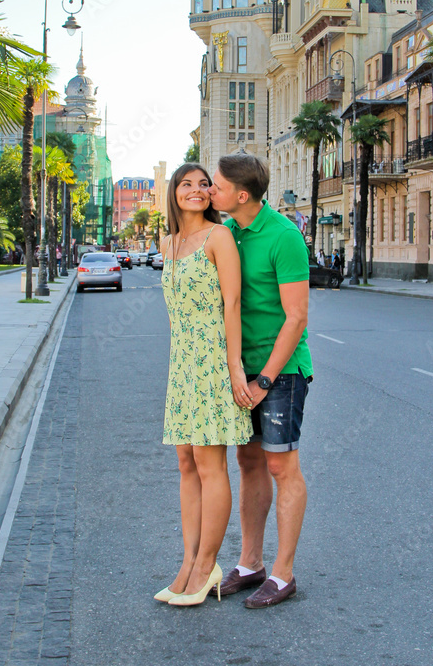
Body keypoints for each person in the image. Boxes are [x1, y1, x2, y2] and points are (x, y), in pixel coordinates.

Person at [209, 152, 312, 609]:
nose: (211, 191)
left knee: (280, 466)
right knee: (248, 463)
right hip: (240, 370)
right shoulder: (228, 232)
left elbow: (296, 318)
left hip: (280, 370)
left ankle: (284, 572)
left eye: (216, 186)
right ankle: (251, 564)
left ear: (241, 194)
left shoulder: (284, 236)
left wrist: (266, 379)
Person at [156, 162, 253, 608]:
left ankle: (206, 564)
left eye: (202, 185)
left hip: (214, 361)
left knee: (210, 463)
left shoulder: (220, 237)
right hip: (182, 365)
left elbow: (232, 303)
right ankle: (187, 561)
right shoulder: (168, 242)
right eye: (186, 184)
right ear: (174, 193)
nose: (196, 191)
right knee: (185, 463)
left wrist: (234, 367)